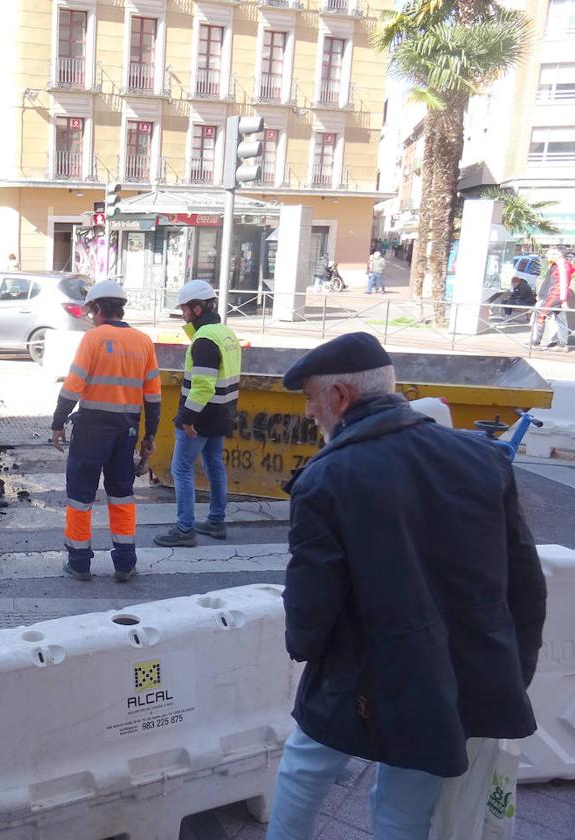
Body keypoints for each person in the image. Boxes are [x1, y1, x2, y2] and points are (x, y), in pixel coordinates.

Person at [266, 332, 546, 840]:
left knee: (304, 771)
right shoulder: (482, 459)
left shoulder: (326, 479)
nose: (309, 412)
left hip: (360, 670)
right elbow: (525, 582)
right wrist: (509, 666)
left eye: (310, 398)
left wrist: (304, 649)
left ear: (341, 397)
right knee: (404, 809)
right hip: (450, 675)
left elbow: (311, 606)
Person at [51, 280, 161, 583]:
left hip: (90, 431)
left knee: (80, 498)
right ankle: (125, 563)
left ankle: (79, 562)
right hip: (125, 430)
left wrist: (58, 423)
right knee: (122, 496)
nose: (91, 317)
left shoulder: (93, 339)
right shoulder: (143, 341)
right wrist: (149, 435)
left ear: (99, 308)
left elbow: (73, 386)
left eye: (92, 311)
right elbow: (153, 396)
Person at [154, 280, 241, 548]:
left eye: (185, 310)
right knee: (214, 464)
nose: (183, 315)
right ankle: (216, 520)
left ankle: (184, 529)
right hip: (222, 413)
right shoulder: (226, 334)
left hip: (201, 417)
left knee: (181, 468)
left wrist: (186, 418)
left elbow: (202, 387)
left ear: (197, 309)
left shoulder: (204, 341)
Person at [532, 247, 574, 349]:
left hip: (554, 295)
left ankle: (536, 343)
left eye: (550, 253)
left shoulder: (562, 265)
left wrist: (563, 300)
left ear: (558, 254)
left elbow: (564, 283)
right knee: (560, 319)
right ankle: (562, 344)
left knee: (541, 316)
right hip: (554, 295)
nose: (547, 256)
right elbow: (548, 281)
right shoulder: (557, 265)